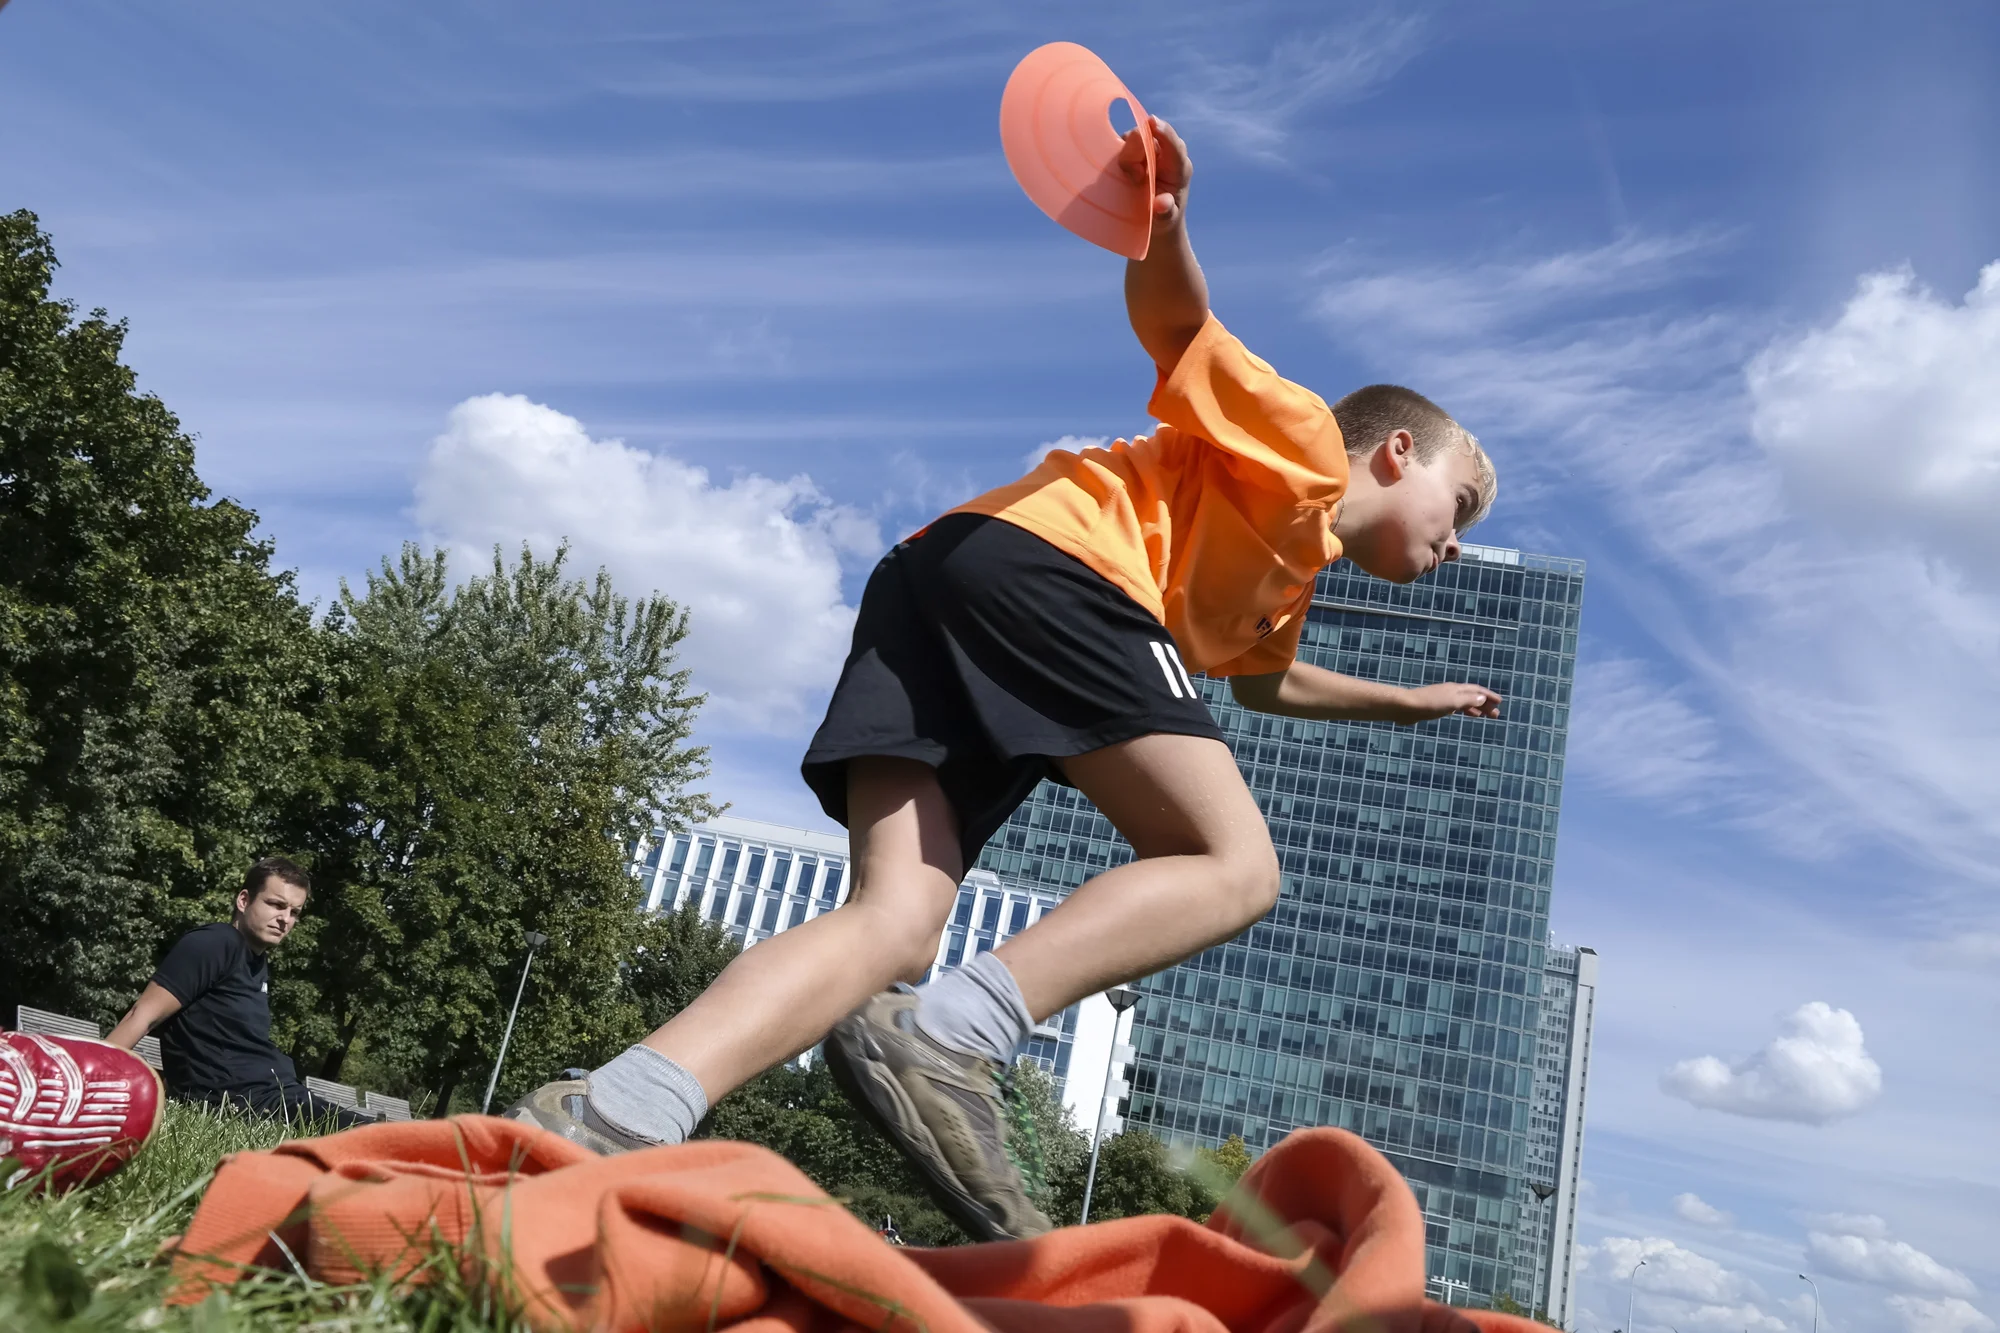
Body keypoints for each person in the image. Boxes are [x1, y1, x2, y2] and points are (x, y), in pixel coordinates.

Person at [507, 116, 1501, 1241]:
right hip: (1056, 566)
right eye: (1459, 508)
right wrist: (1162, 227)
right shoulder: (1306, 448)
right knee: (1233, 865)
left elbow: (1267, 687)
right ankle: (953, 1035)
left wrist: (1410, 703)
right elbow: (1177, 330)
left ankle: (614, 1110)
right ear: (1395, 453)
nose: (1456, 544)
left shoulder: (1283, 585)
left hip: (936, 581)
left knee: (897, 922)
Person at [107, 856, 368, 1128]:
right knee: (375, 1137)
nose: (285, 919)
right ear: (244, 900)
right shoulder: (215, 942)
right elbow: (142, 1015)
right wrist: (85, 1082)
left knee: (383, 1134)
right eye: (276, 905)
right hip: (246, 1102)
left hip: (280, 1095)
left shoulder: (256, 961)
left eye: (294, 912)